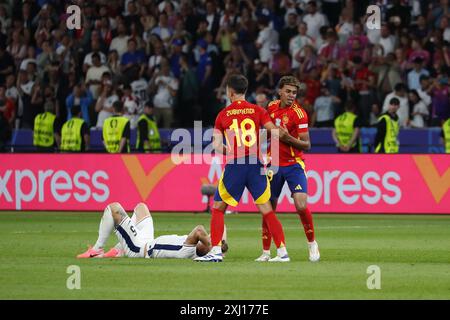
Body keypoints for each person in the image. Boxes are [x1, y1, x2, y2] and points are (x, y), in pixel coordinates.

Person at [194, 74, 290, 263]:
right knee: (267, 210)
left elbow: (216, 145)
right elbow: (274, 130)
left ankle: (215, 251)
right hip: (255, 164)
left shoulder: (223, 114)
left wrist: (229, 149)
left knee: (218, 208)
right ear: (245, 91)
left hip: (236, 164)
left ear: (230, 92)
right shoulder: (258, 110)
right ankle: (282, 252)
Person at [256, 76, 320, 263]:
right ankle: (266, 252)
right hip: (273, 164)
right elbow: (267, 131)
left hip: (293, 164)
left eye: (294, 92)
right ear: (280, 91)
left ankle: (312, 243)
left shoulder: (299, 114)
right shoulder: (271, 106)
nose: (292, 95)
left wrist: (287, 138)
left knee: (301, 205)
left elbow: (306, 144)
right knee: (268, 207)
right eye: (288, 91)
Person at [76, 202, 228, 259]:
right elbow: (223, 227)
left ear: (205, 248)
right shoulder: (200, 246)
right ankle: (118, 249)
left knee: (114, 208)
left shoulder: (190, 249)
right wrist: (219, 246)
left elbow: (200, 230)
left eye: (208, 241)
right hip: (149, 241)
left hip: (139, 249)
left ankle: (97, 249)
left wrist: (214, 246)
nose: (209, 237)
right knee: (141, 207)